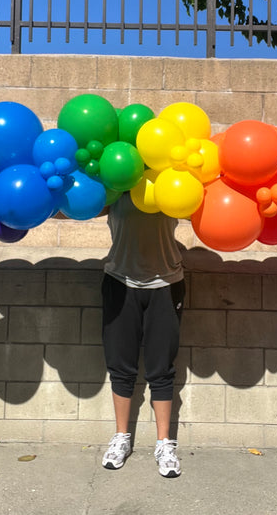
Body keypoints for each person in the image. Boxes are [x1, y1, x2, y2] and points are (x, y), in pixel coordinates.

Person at [100, 191, 185, 478]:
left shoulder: (170, 183)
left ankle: (164, 444)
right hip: (120, 283)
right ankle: (121, 438)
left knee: (161, 368)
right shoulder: (114, 185)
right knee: (121, 366)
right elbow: (69, 209)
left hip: (166, 285)